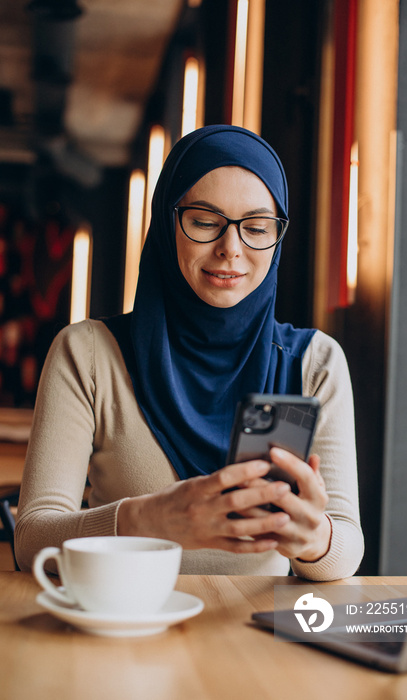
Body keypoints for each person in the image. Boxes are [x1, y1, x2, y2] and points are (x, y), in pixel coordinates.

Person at [15, 125, 364, 579]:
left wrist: (315, 539)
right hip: (126, 631)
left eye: (257, 228)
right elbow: (30, 543)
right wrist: (148, 521)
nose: (231, 249)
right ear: (166, 223)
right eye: (204, 222)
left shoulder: (315, 363)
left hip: (257, 642)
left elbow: (347, 548)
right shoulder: (88, 354)